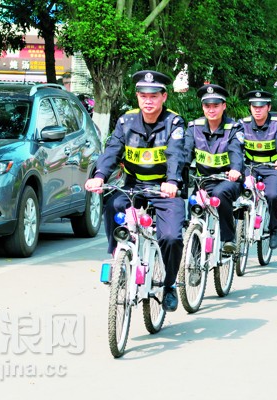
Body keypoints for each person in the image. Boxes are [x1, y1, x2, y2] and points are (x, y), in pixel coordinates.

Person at [84, 70, 186, 312]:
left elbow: (176, 155)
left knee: (171, 237)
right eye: (142, 96)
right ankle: (117, 257)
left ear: (164, 97)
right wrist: (99, 177)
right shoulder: (125, 121)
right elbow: (111, 151)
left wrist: (172, 181)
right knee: (113, 206)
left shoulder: (174, 123)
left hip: (164, 190)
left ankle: (169, 284)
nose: (147, 101)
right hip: (135, 187)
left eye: (153, 96)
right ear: (137, 97)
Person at [183, 84, 244, 253]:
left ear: (224, 106)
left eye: (215, 106)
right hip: (203, 181)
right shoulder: (194, 128)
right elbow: (185, 152)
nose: (211, 110)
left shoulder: (233, 128)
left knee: (220, 194)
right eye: (207, 106)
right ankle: (193, 252)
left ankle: (227, 239)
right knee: (193, 207)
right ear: (202, 107)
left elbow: (236, 151)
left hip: (228, 180)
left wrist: (236, 169)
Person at [238, 90, 277, 249]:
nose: (257, 110)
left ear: (268, 107)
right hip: (250, 167)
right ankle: (235, 229)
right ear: (250, 108)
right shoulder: (242, 124)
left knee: (273, 195)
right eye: (254, 106)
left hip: (272, 167)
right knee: (236, 193)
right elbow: (235, 146)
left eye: (261, 106)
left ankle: (274, 228)